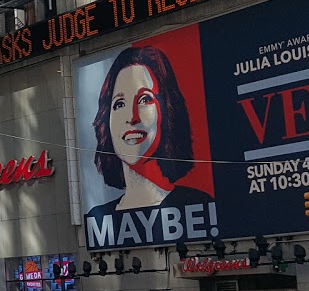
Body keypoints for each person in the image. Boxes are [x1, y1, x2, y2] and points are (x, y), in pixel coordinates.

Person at [84, 45, 213, 222]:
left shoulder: (200, 205)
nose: (132, 117)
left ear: (167, 110)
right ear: (106, 120)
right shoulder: (96, 218)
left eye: (145, 99)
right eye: (119, 104)